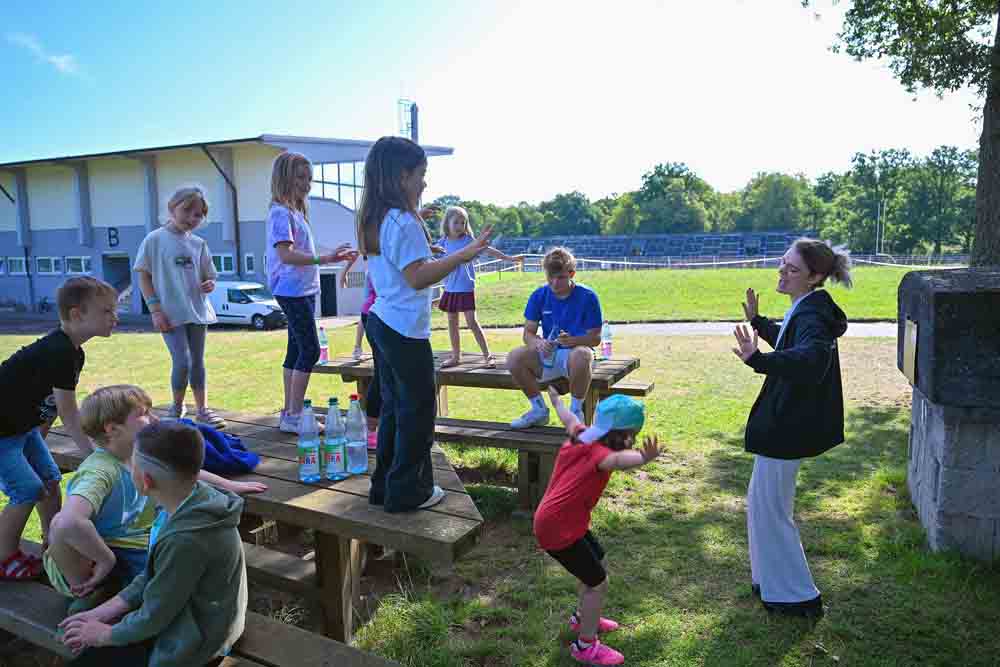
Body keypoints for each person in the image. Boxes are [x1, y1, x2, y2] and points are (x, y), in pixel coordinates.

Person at [356, 136, 491, 512]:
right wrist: (462, 254)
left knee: (395, 409)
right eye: (421, 175)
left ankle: (383, 486)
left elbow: (402, 266)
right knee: (417, 412)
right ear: (402, 177)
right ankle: (407, 492)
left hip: (382, 322)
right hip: (402, 330)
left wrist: (432, 249)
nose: (424, 183)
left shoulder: (377, 217)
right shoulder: (402, 221)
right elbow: (417, 277)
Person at [44, 385, 265, 613]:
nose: (155, 418)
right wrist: (105, 559)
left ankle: (108, 595)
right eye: (144, 414)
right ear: (112, 429)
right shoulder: (99, 471)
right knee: (166, 585)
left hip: (132, 545)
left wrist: (230, 485)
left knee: (173, 573)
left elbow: (182, 472)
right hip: (95, 554)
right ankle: (90, 594)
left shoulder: (139, 453)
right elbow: (67, 523)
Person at [732, 238, 853, 619]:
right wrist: (758, 323)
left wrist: (758, 360)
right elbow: (790, 339)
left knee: (773, 510)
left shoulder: (813, 315)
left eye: (792, 269)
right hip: (783, 424)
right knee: (763, 505)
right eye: (782, 264)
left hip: (787, 426)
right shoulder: (806, 308)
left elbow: (811, 357)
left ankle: (797, 595)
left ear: (815, 277)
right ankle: (769, 581)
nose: (782, 272)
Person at [60, 421, 248, 666]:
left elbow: (156, 615)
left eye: (132, 463)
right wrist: (103, 612)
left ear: (146, 481)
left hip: (195, 638)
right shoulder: (190, 499)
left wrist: (105, 634)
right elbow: (154, 575)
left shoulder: (186, 538)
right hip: (192, 616)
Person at [0, 276, 117, 581]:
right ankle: (4, 557)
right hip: (1, 434)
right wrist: (94, 455)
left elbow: (50, 405)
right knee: (27, 489)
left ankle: (56, 548)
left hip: (21, 429)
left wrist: (37, 440)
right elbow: (70, 413)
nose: (115, 318)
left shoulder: (74, 352)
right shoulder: (59, 351)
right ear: (78, 313)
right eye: (106, 311)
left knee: (51, 479)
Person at [534, 387, 660, 666]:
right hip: (558, 528)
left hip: (563, 521)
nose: (633, 441)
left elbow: (566, 416)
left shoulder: (581, 434)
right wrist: (643, 458)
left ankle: (583, 617)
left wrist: (556, 400)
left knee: (597, 560)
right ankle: (585, 646)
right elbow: (616, 460)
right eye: (633, 437)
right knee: (598, 584)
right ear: (624, 435)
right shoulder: (601, 454)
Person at [267, 151, 357, 434]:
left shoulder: (295, 212)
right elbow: (286, 254)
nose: (306, 184)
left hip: (302, 289)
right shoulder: (281, 213)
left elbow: (302, 251)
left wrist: (331, 255)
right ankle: (294, 415)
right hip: (292, 290)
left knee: (296, 348)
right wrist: (326, 260)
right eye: (300, 177)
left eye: (310, 178)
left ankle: (288, 412)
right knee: (310, 349)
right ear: (284, 178)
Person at [134, 185, 226, 429]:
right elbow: (143, 275)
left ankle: (203, 410)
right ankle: (177, 407)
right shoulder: (154, 239)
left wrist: (209, 284)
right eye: (187, 210)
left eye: (198, 214)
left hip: (196, 311)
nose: (191, 218)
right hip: (169, 313)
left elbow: (210, 275)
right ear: (171, 208)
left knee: (197, 361)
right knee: (181, 361)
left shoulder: (199, 243)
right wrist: (155, 309)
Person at [507, 247, 603, 428]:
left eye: (560, 278)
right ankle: (539, 410)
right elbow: (528, 334)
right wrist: (539, 343)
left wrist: (573, 340)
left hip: (576, 356)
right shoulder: (539, 295)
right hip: (548, 356)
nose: (554, 283)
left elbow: (595, 338)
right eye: (550, 277)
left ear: (572, 273)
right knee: (514, 357)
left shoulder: (588, 297)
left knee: (582, 355)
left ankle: (575, 412)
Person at [437, 205, 523, 369]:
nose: (460, 226)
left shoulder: (469, 241)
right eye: (456, 222)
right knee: (451, 322)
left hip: (465, 288)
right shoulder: (442, 242)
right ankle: (456, 356)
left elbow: (488, 250)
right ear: (447, 223)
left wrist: (510, 258)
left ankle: (487, 356)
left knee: (472, 322)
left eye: (463, 223)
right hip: (449, 289)